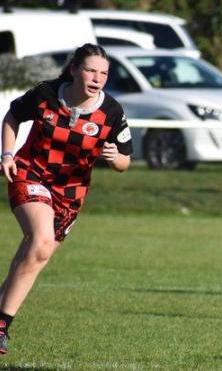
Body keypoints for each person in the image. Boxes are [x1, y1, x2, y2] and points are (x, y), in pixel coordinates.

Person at [0, 43, 132, 354]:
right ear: (74, 69)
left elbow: (126, 160)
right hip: (31, 174)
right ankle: (3, 325)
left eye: (104, 73)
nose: (97, 78)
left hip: (70, 194)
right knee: (42, 240)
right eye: (90, 70)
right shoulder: (47, 93)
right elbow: (12, 116)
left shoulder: (112, 111)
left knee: (35, 256)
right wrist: (7, 154)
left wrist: (114, 158)